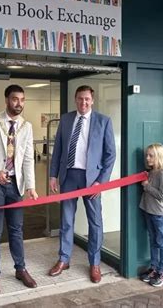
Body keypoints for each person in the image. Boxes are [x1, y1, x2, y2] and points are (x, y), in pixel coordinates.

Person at [0, 84, 39, 296]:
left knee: (16, 230)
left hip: (15, 186)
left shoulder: (26, 126)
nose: (19, 103)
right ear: (6, 100)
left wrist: (31, 186)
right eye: (14, 99)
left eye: (22, 100)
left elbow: (28, 158)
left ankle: (20, 269)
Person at [48, 85, 116, 283]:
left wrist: (101, 182)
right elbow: (58, 149)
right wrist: (53, 175)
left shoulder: (103, 121)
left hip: (92, 181)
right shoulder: (66, 119)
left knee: (95, 222)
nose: (83, 102)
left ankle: (94, 263)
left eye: (86, 99)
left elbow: (110, 155)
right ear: (75, 99)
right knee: (66, 220)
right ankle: (64, 259)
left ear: (92, 100)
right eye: (79, 99)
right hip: (69, 176)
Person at [139, 143, 163, 287]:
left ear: (159, 157)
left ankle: (162, 273)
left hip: (159, 214)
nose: (147, 158)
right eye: (147, 155)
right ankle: (154, 268)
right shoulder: (150, 171)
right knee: (153, 241)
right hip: (149, 211)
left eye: (151, 155)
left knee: (162, 242)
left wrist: (146, 186)